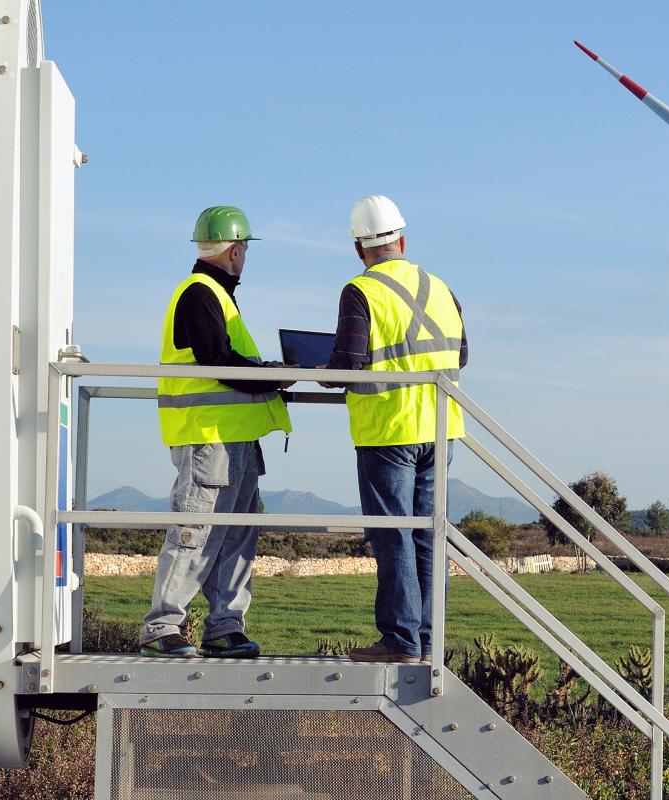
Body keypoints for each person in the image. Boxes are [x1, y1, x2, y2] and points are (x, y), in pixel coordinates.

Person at [140, 206, 295, 659]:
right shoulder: (199, 293)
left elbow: (227, 360)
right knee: (197, 527)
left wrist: (271, 373)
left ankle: (224, 627)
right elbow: (217, 361)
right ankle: (161, 626)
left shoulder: (217, 296)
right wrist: (272, 377)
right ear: (235, 250)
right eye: (244, 249)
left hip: (235, 440)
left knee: (236, 533)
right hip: (209, 438)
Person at [323, 195, 467, 663]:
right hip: (441, 429)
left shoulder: (359, 291)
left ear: (358, 249)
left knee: (393, 534)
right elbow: (460, 355)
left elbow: (347, 364)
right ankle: (427, 641)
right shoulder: (441, 287)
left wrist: (320, 370)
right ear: (402, 240)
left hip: (388, 429)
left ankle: (400, 642)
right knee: (428, 533)